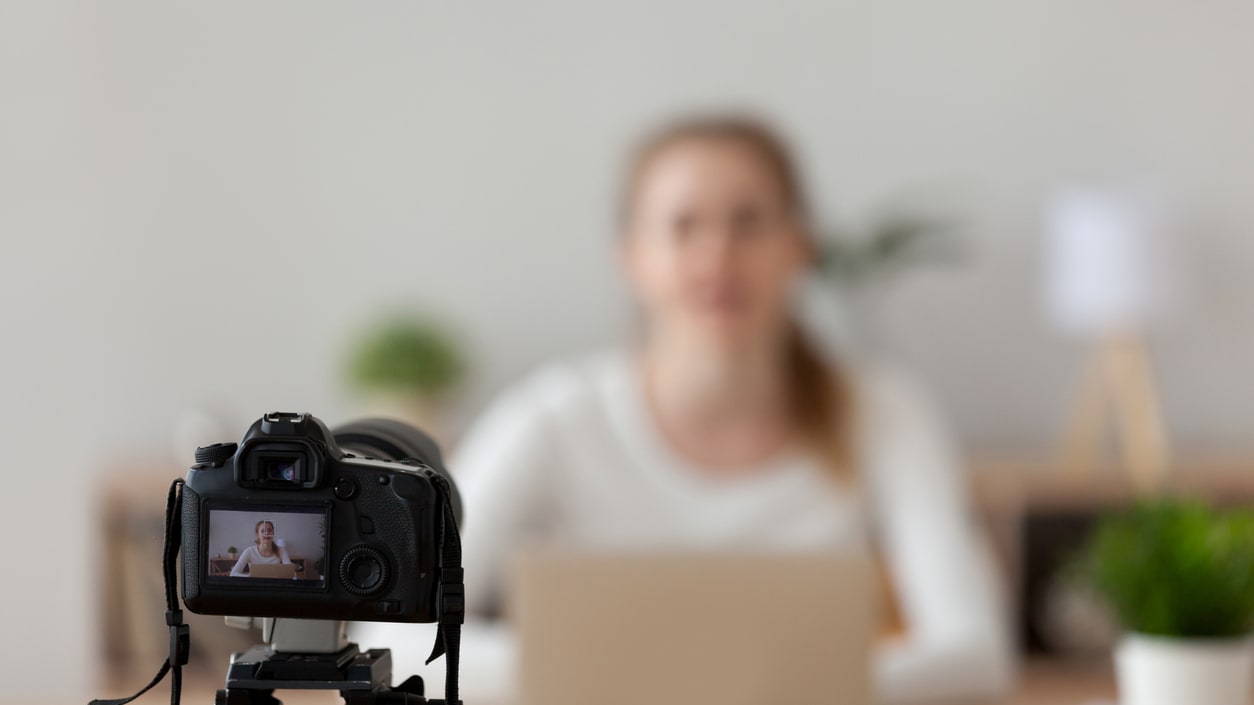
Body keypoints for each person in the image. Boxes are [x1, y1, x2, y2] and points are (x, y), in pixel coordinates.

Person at [377, 115, 1015, 703]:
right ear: (632, 256)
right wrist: (653, 679)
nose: (718, 257)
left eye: (749, 222)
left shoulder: (883, 412)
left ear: (800, 243)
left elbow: (976, 655)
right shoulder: (551, 419)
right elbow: (391, 639)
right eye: (684, 226)